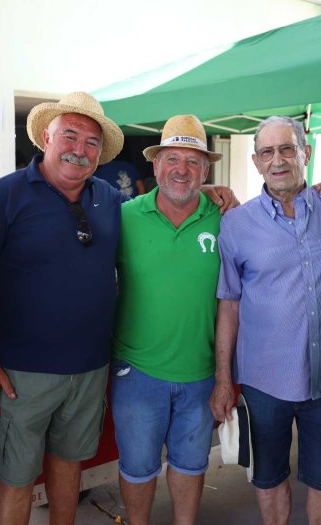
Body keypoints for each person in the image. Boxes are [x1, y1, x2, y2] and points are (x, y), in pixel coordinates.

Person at [0, 94, 236, 525]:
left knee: (68, 468)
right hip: (21, 372)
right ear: (46, 138)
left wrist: (210, 191)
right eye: (70, 135)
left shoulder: (108, 199)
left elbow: (173, 193)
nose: (80, 148)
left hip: (90, 369)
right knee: (16, 477)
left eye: (92, 142)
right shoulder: (5, 194)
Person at [211, 116, 321, 525]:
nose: (278, 160)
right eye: (267, 152)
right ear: (256, 162)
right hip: (263, 381)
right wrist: (224, 379)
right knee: (269, 478)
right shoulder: (236, 224)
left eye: (287, 148)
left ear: (305, 153)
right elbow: (229, 304)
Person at [111, 115, 225, 525]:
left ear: (206, 171)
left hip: (201, 372)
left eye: (193, 162)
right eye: (172, 159)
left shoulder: (226, 217)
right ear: (155, 165)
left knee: (191, 465)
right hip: (137, 372)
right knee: (138, 468)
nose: (181, 170)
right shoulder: (124, 216)